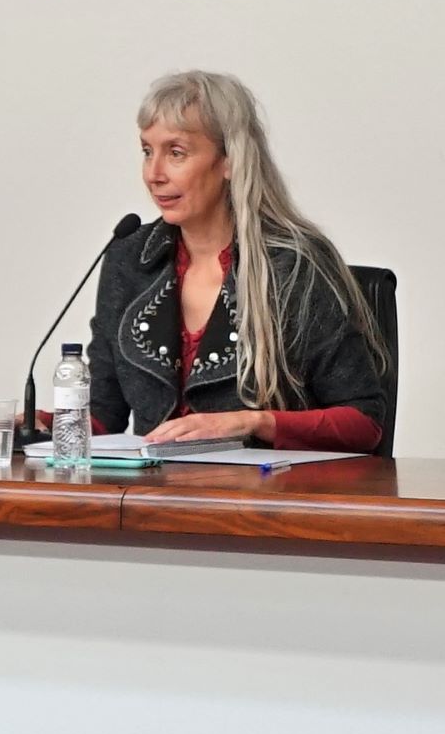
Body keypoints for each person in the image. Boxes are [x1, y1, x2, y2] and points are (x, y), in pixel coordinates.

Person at [85, 70, 388, 452]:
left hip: (264, 501)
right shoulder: (129, 258)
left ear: (230, 161)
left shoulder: (293, 266)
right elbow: (101, 417)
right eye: (147, 151)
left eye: (176, 153)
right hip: (155, 498)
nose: (153, 174)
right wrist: (38, 426)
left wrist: (253, 422)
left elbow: (364, 424)